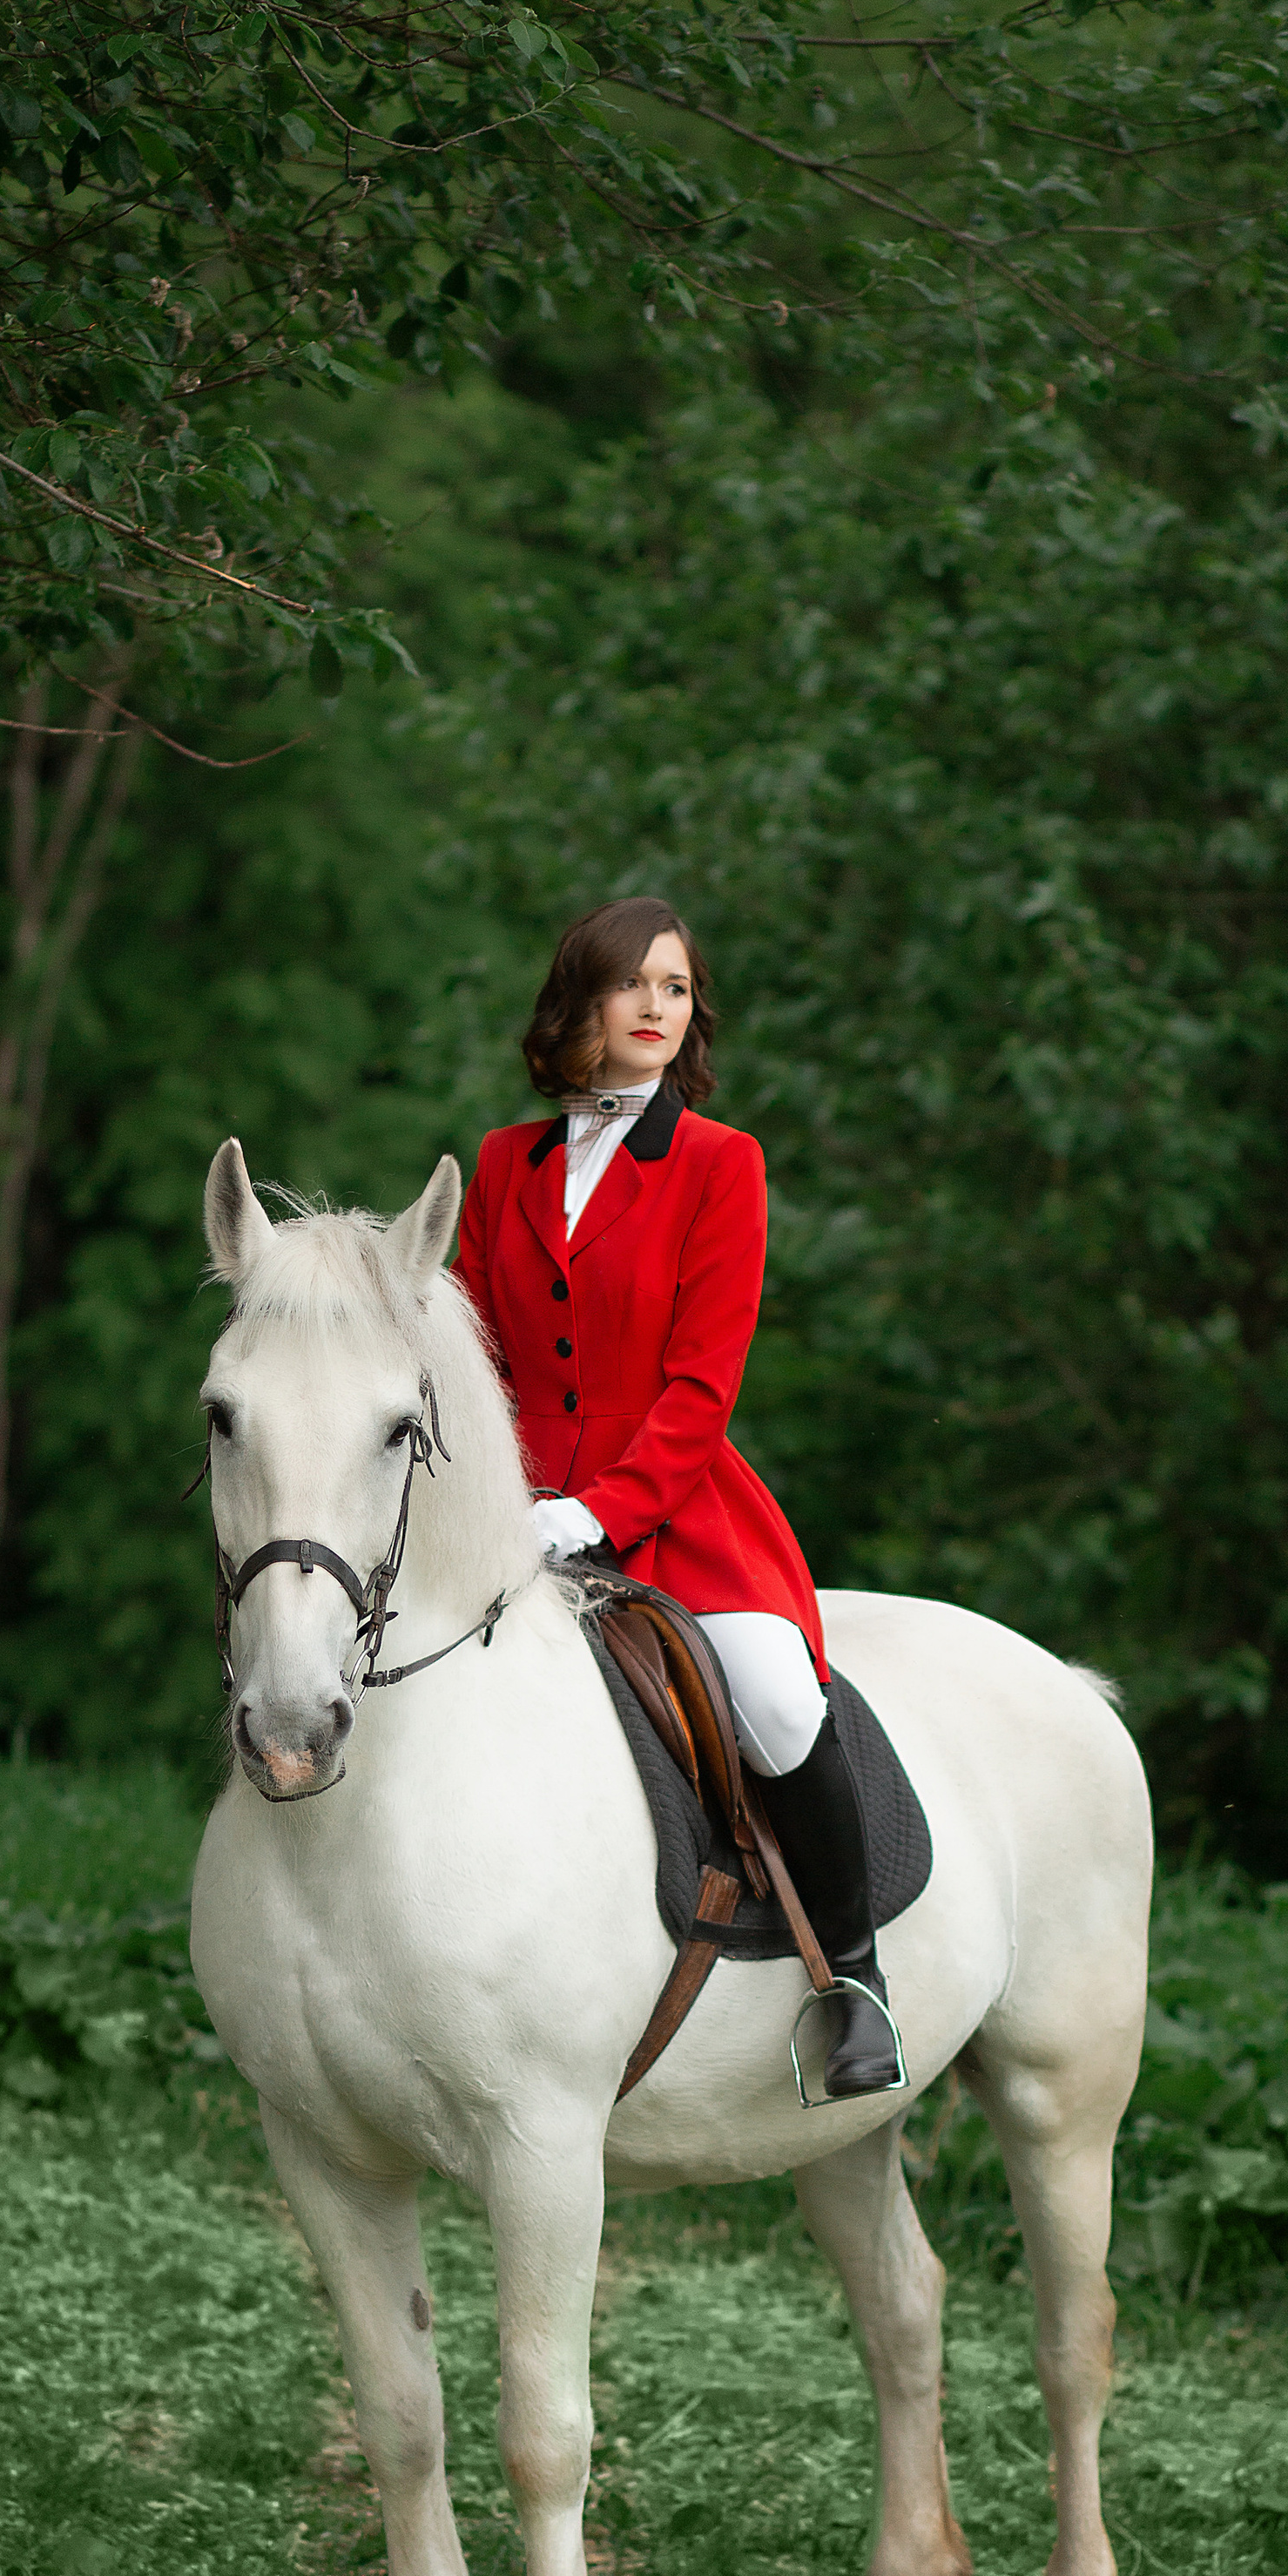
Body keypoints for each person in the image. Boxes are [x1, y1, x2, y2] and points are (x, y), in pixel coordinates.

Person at [453, 894, 901, 2098]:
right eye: (633, 983)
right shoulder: (502, 1164)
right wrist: (493, 1491)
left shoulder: (719, 1163)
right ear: (581, 1001)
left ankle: (856, 1983)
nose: (656, 1006)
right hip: (508, 1511)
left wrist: (595, 1511)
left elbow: (703, 1388)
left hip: (676, 1510)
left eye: (678, 988)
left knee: (777, 1701)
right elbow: (466, 1348)